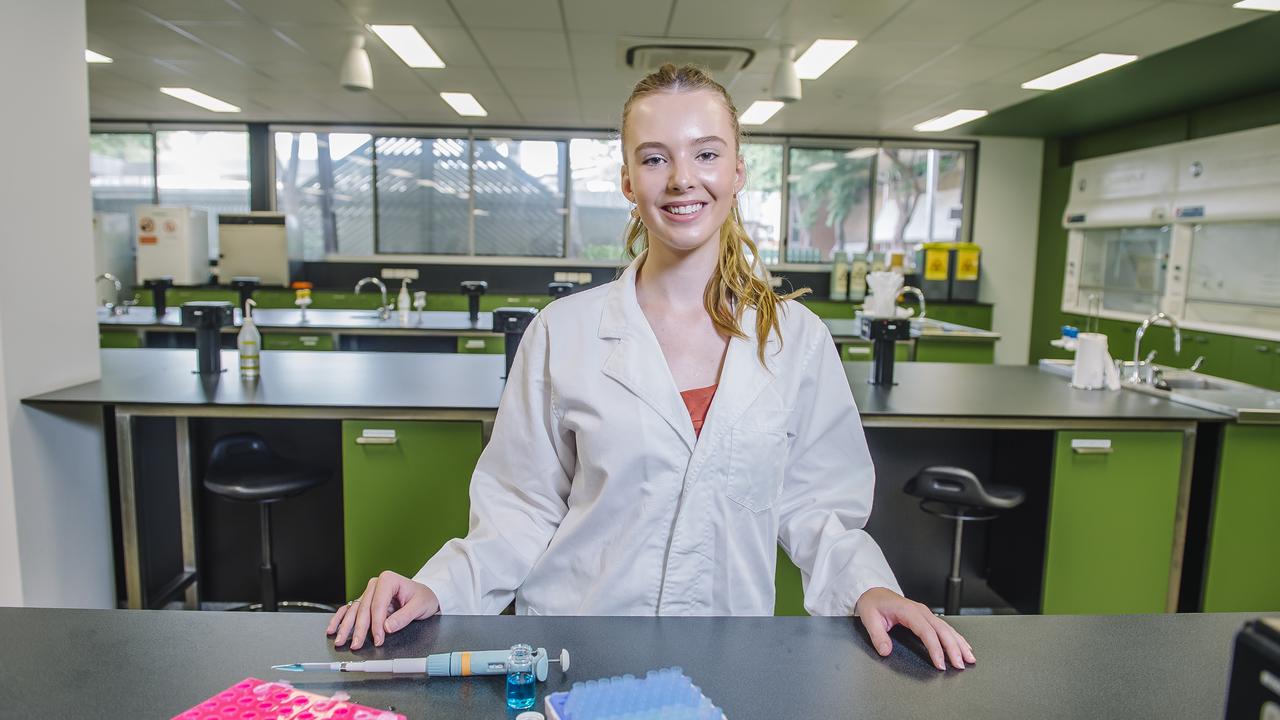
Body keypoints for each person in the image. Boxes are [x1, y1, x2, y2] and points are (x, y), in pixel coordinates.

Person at [327, 64, 974, 672]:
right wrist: (435, 587)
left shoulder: (794, 340)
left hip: (727, 657)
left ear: (739, 171)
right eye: (656, 157)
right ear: (629, 181)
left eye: (706, 153)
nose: (682, 178)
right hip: (576, 651)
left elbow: (817, 508)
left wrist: (869, 587)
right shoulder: (565, 332)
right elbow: (519, 509)